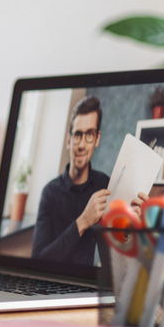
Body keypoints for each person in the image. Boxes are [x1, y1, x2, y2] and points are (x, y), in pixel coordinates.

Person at [31, 95, 110, 265]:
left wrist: (129, 226)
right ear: (69, 141)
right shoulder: (49, 192)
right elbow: (37, 260)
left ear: (97, 139)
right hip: (51, 284)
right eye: (77, 135)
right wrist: (83, 222)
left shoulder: (104, 185)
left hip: (85, 284)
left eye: (89, 134)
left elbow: (112, 255)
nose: (81, 144)